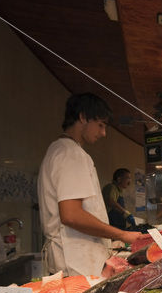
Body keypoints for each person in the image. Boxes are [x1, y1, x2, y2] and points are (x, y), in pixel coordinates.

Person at [37, 93, 144, 276]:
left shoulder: (59, 150)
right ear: (83, 117)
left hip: (73, 259)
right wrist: (121, 234)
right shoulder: (70, 153)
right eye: (100, 125)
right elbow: (71, 215)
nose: (103, 133)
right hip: (77, 263)